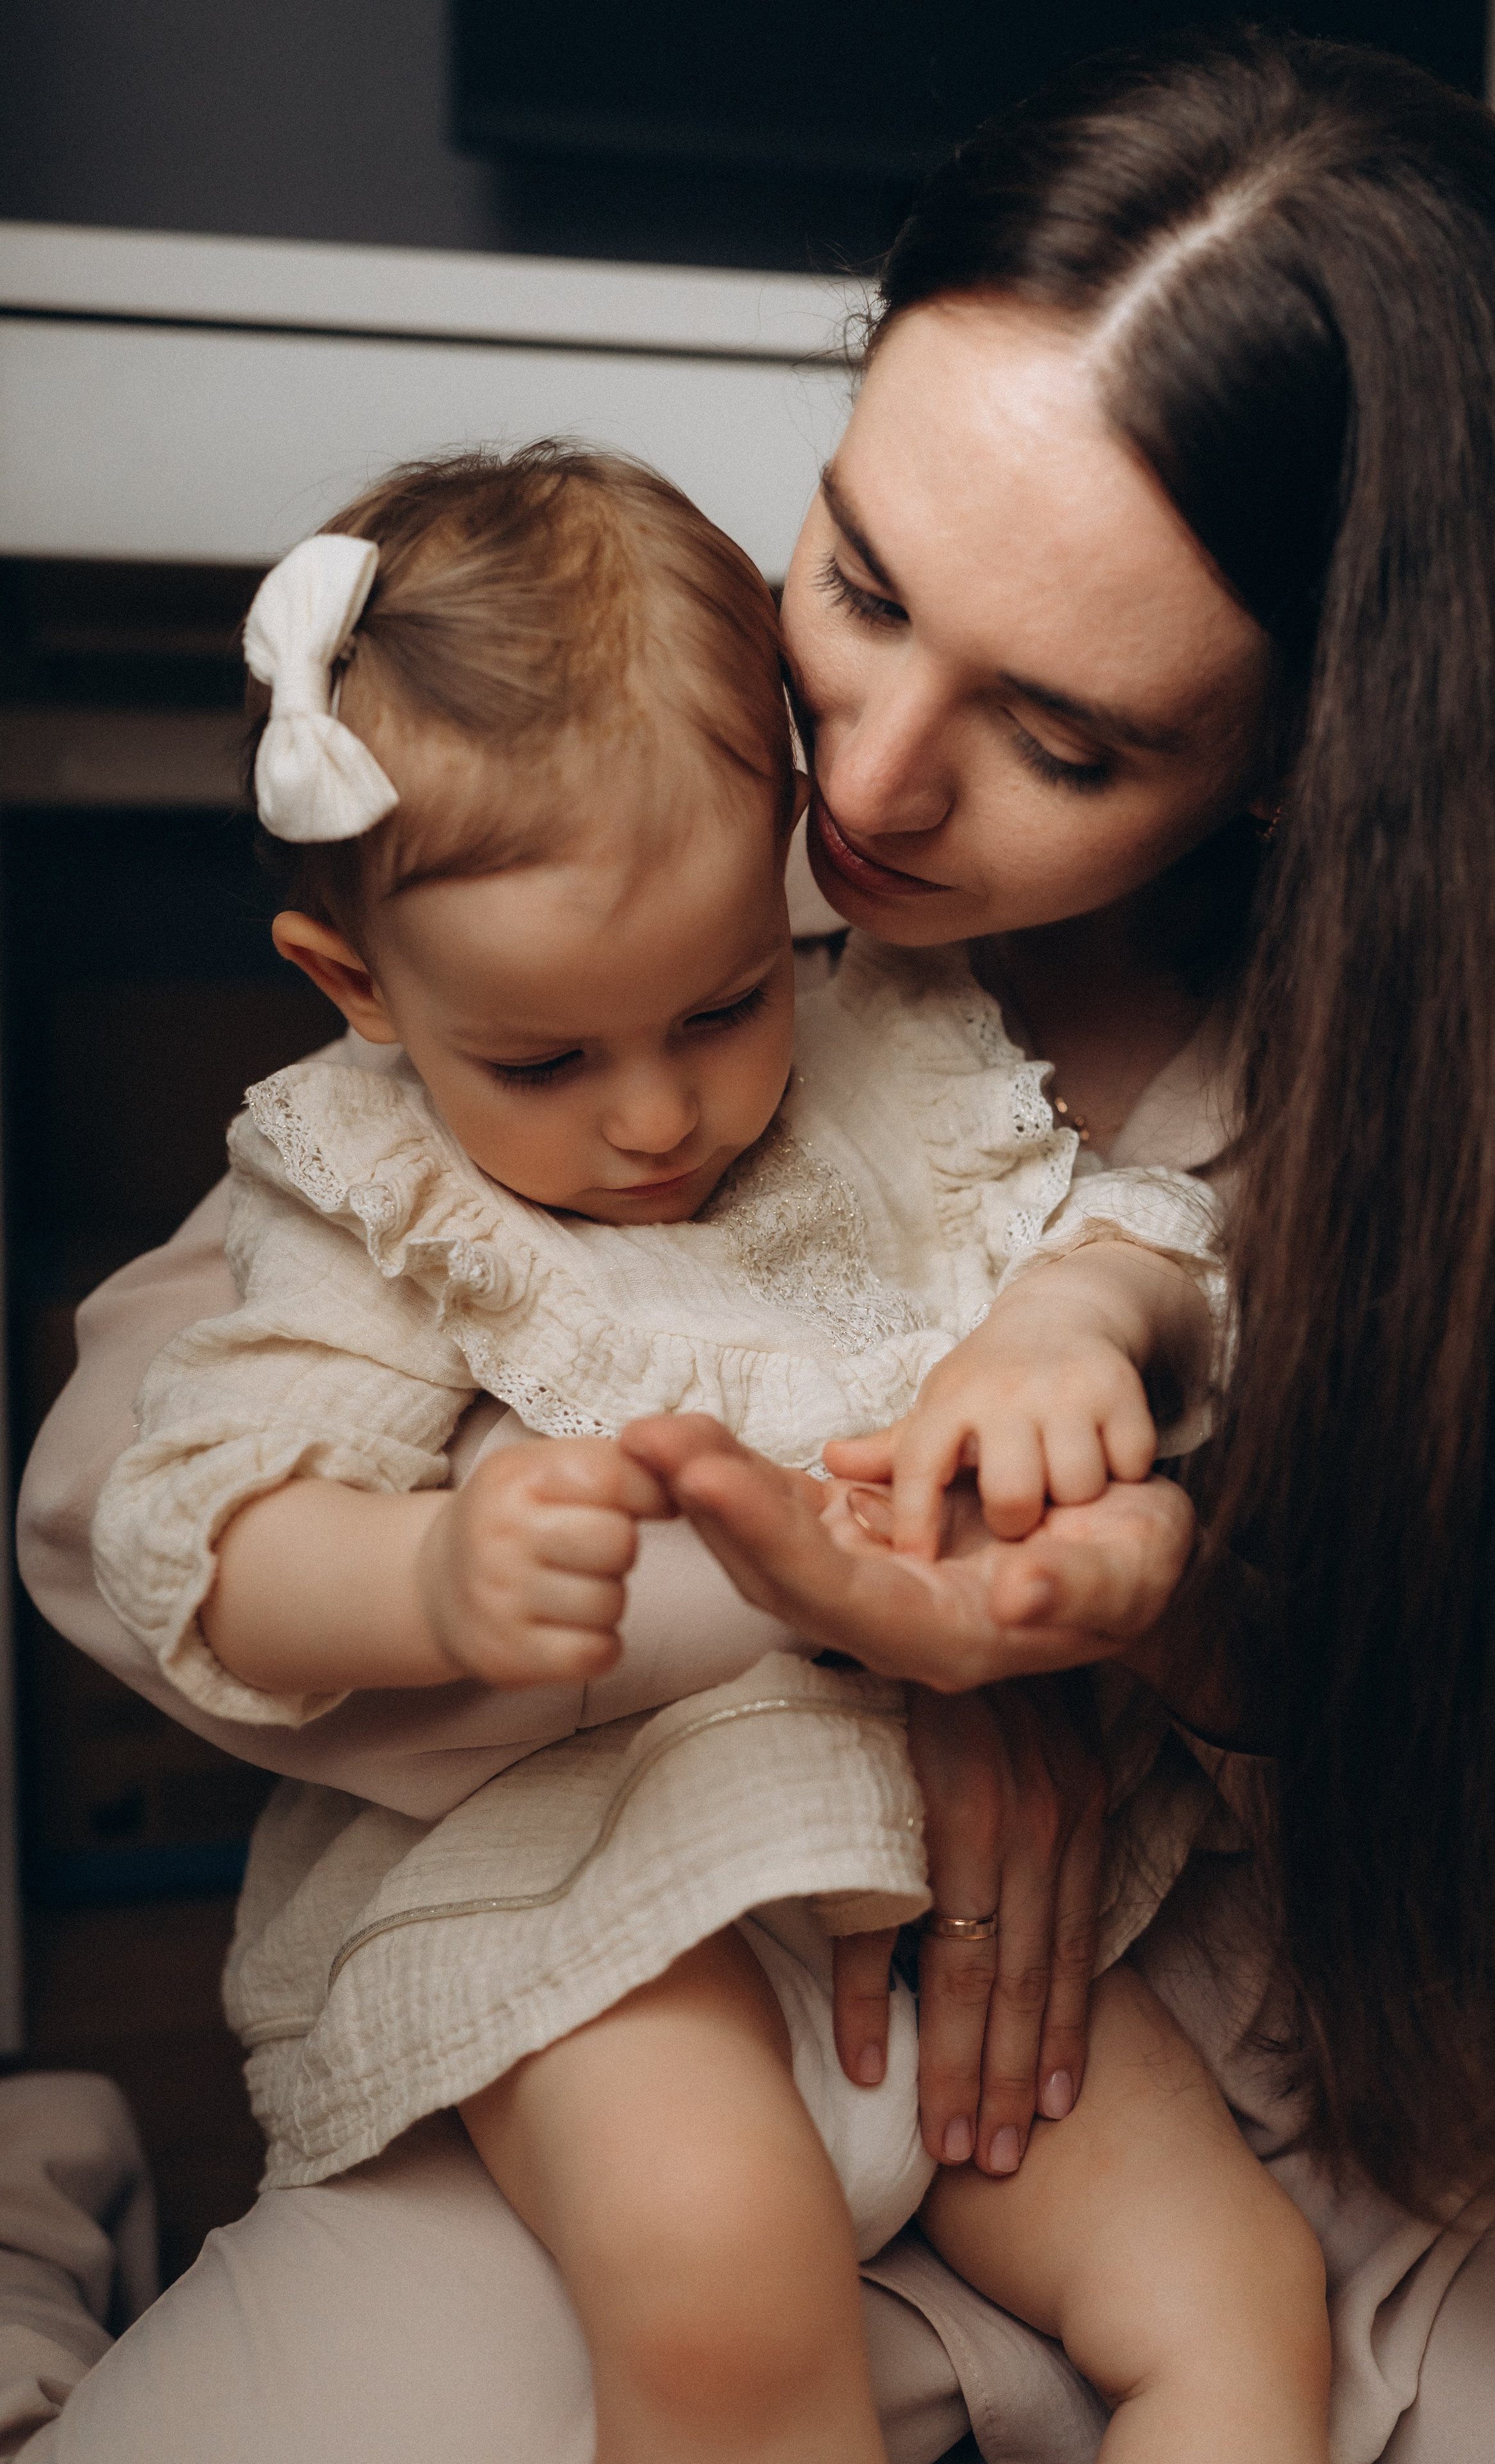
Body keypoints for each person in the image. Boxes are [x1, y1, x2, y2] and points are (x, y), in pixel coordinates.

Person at [13, 26, 1495, 2461]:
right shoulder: (650, 858)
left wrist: (1128, 1638)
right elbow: (148, 1484)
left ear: (1321, 743)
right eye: (858, 582)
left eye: (1065, 738)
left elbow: (1455, 1655)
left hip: (1229, 2063)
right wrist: (783, 1643)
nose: (861, 785)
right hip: (639, 1983)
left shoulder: (1455, 1091)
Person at [85, 442, 1325, 2464]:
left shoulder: (890, 1050)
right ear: (356, 989)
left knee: (1237, 2296)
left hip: (949, 1907)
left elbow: (1141, 1226)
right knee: (728, 2286)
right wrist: (426, 1578)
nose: (661, 1114)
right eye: (553, 1059)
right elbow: (195, 1528)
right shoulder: (365, 1181)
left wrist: (1079, 1324)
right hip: (587, 1899)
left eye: (726, 1000)